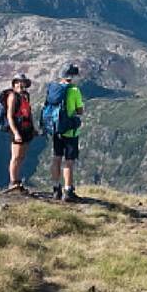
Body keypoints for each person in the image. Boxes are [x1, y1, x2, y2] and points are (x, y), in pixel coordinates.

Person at [47, 64, 85, 202]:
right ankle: (68, 191)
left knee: (56, 158)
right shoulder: (74, 90)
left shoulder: (53, 88)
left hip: (56, 129)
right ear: (72, 76)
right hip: (70, 131)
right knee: (69, 162)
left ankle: (56, 189)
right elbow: (80, 110)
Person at [3, 74, 36, 192]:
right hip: (17, 129)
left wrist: (33, 128)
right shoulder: (12, 96)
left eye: (23, 83)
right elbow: (9, 116)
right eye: (18, 82)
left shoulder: (25, 96)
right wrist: (15, 132)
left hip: (26, 129)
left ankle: (17, 182)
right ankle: (13, 182)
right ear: (14, 83)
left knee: (21, 157)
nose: (21, 85)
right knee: (15, 157)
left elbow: (28, 113)